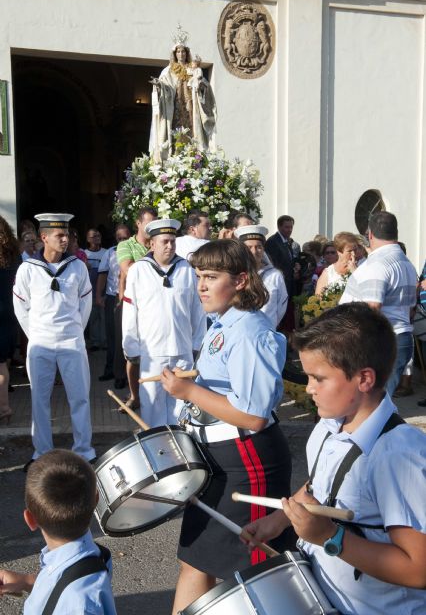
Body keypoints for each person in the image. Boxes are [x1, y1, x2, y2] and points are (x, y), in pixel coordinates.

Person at [244, 303, 426, 615]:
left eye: (319, 378)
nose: (309, 389)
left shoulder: (399, 455)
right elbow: (319, 489)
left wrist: (331, 536)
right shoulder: (329, 426)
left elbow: (418, 569)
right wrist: (277, 521)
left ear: (364, 379)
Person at [160, 239, 293, 614]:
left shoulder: (251, 330)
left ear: (240, 281)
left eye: (211, 277)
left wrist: (189, 390)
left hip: (247, 460)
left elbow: (253, 415)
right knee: (196, 560)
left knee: (254, 573)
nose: (201, 285)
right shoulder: (221, 324)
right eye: (199, 276)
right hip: (217, 457)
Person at [13, 213, 96, 469]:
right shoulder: (28, 269)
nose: (65, 239)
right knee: (39, 398)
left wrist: (73, 332)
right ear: (43, 237)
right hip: (40, 343)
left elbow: (85, 302)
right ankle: (42, 452)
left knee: (79, 397)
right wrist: (36, 334)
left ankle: (84, 450)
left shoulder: (77, 266)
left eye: (67, 234)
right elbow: (21, 306)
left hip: (72, 342)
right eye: (59, 235)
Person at [0, 450, 117, 614]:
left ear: (30, 520)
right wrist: (28, 581)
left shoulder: (81, 605)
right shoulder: (92, 557)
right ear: (96, 500)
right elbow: (63, 589)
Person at [122, 218, 205, 426]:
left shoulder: (186, 269)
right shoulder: (138, 270)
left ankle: (183, 449)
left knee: (182, 407)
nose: (170, 246)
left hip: (182, 349)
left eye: (173, 242)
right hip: (152, 352)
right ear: (152, 244)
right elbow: (130, 312)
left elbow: (198, 310)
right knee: (152, 407)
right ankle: (159, 451)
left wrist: (197, 345)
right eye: (164, 242)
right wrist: (131, 348)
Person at [340, 212, 417, 396]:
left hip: (379, 342)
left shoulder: (379, 264)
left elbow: (372, 309)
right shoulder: (407, 263)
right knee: (379, 401)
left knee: (373, 403)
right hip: (398, 336)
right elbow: (411, 309)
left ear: (370, 235)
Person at [149, 27, 216, 160]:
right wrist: (159, 86)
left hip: (191, 108)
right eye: (178, 51)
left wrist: (201, 85)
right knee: (174, 135)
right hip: (175, 108)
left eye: (183, 51)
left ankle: (194, 155)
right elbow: (165, 85)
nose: (181, 54)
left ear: (187, 53)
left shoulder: (194, 69)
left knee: (193, 133)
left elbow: (205, 86)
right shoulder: (168, 71)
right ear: (175, 54)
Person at [116, 206, 157, 404]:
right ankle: (134, 395)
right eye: (148, 222)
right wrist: (151, 255)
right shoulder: (126, 245)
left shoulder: (159, 243)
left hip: (155, 304)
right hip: (135, 305)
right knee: (133, 355)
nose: (151, 227)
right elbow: (129, 269)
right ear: (138, 223)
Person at [234, 224, 288, 328]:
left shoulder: (275, 275)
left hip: (266, 330)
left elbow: (281, 306)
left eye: (258, 247)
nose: (254, 251)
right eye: (249, 247)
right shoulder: (234, 274)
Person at [96, 224, 131, 382]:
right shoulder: (109, 253)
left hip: (130, 298)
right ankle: (110, 369)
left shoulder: (134, 251)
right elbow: (103, 275)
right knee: (112, 336)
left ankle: (123, 374)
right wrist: (98, 295)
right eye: (119, 238)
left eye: (125, 238)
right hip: (113, 297)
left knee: (125, 336)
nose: (122, 240)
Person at [0, 216, 21, 425]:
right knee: (2, 362)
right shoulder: (15, 256)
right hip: (9, 310)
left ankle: (4, 408)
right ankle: (4, 407)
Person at [84, 228, 107, 351]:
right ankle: (94, 342)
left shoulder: (106, 252)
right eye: (93, 236)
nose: (97, 237)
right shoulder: (84, 253)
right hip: (89, 289)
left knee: (103, 316)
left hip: (103, 289)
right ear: (88, 239)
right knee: (93, 317)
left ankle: (104, 342)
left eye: (98, 235)